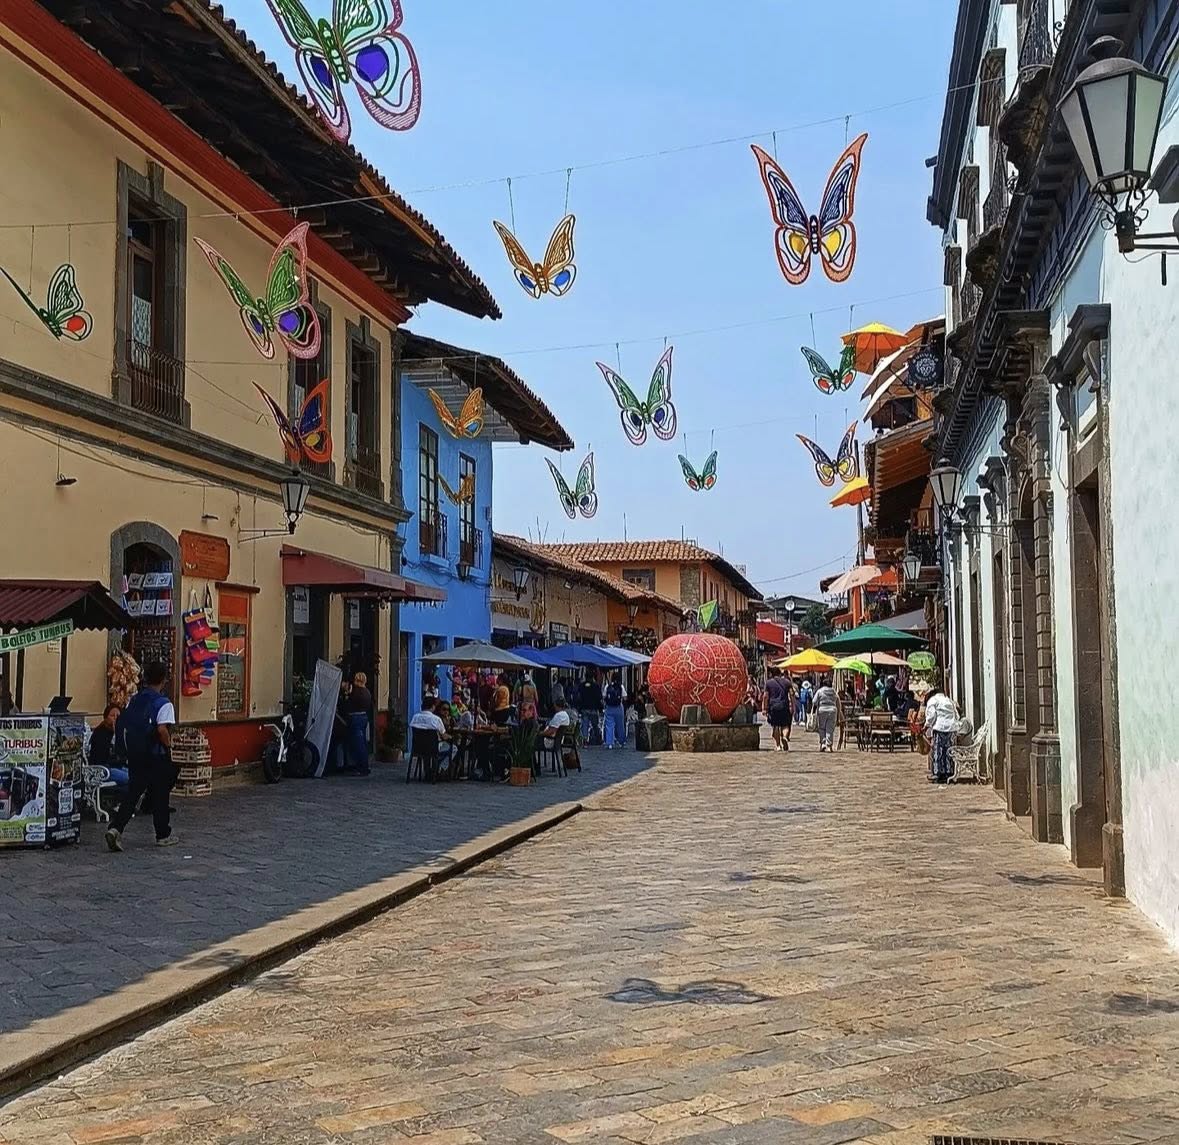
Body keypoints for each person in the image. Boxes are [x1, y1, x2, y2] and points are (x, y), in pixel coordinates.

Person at [105, 662, 177, 851]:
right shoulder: (164, 703)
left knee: (133, 793)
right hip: (156, 754)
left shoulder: (134, 699)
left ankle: (116, 828)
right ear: (164, 680)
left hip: (136, 753)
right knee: (161, 796)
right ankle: (163, 834)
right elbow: (162, 730)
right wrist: (169, 745)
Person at [924, 684, 960, 783]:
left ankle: (938, 773)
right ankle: (949, 772)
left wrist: (927, 725)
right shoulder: (949, 701)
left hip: (939, 728)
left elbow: (931, 716)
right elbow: (956, 715)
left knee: (938, 750)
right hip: (951, 728)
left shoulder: (933, 700)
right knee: (949, 750)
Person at [88, 704, 130, 788]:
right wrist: (115, 736)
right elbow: (103, 755)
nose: (115, 718)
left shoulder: (121, 732)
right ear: (106, 717)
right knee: (130, 778)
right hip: (104, 768)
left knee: (139, 776)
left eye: (118, 716)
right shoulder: (100, 733)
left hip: (118, 766)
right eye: (112, 715)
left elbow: (123, 753)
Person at [409, 697, 453, 774]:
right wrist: (451, 737)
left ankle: (428, 771)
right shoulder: (436, 719)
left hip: (417, 747)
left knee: (428, 746)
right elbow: (444, 735)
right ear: (433, 707)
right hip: (433, 748)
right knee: (454, 748)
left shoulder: (415, 717)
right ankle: (440, 768)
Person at [344, 671, 373, 775]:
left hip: (355, 717)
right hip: (364, 717)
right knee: (362, 743)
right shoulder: (367, 692)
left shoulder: (355, 691)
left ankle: (361, 767)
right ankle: (364, 765)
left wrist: (347, 694)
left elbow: (347, 702)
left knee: (358, 744)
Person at [763, 667, 792, 752]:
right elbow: (792, 694)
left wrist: (764, 708)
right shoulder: (787, 682)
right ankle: (785, 737)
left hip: (773, 706)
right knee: (785, 725)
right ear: (780, 673)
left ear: (771, 674)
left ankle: (778, 745)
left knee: (775, 726)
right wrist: (792, 706)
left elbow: (765, 696)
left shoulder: (768, 683)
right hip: (784, 705)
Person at [813, 675, 841, 753]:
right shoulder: (834, 692)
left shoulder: (820, 691)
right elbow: (838, 703)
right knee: (830, 728)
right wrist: (838, 714)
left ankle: (823, 743)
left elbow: (814, 702)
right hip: (832, 710)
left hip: (822, 710)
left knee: (822, 728)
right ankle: (829, 745)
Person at [578, 672, 603, 744]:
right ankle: (597, 738)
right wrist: (600, 707)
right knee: (595, 725)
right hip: (594, 709)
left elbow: (579, 697)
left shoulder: (582, 686)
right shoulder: (596, 686)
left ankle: (585, 740)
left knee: (585, 725)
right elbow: (599, 698)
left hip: (584, 708)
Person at [603, 673, 626, 749]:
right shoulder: (620, 686)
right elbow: (625, 697)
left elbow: (604, 696)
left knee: (609, 725)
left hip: (609, 708)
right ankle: (621, 742)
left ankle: (609, 743)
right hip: (619, 707)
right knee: (620, 726)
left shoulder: (608, 686)